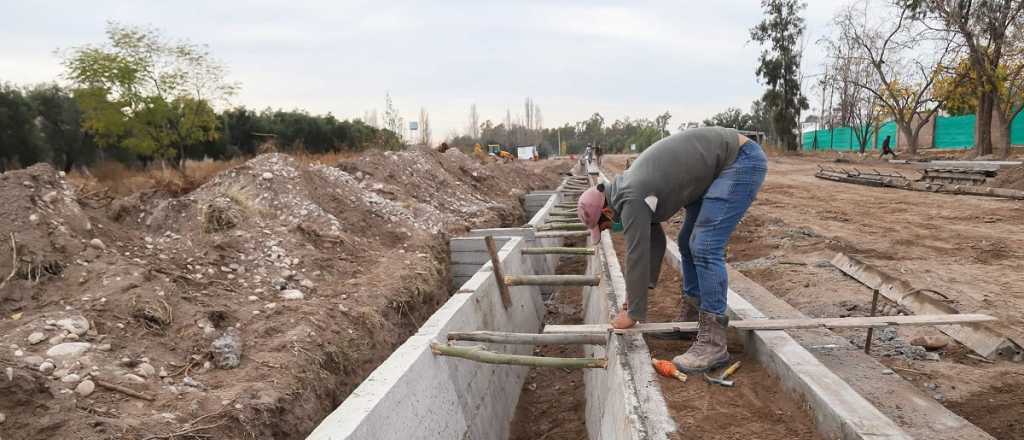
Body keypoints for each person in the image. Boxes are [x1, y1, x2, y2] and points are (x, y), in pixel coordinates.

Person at [576, 127, 767, 373]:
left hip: (739, 161)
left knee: (705, 244)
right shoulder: (627, 191)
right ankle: (692, 314)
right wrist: (635, 296)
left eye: (604, 226)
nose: (609, 229)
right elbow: (654, 242)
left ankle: (713, 343)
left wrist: (632, 313)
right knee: (688, 240)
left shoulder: (631, 196)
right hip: (717, 168)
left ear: (607, 211)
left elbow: (637, 253)